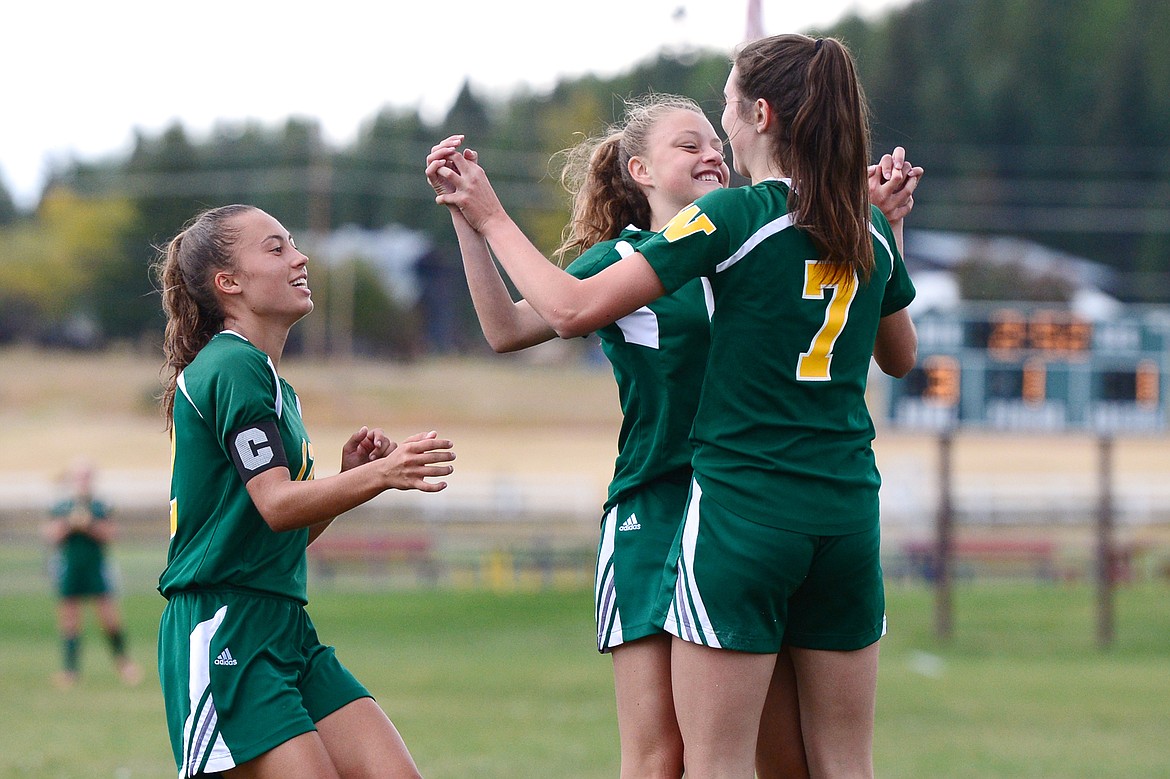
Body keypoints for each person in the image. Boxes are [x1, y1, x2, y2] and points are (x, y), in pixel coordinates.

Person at [428, 52, 919, 777]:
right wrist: (475, 222)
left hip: (742, 510)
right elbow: (522, 325)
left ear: (760, 117)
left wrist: (492, 214)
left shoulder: (744, 226)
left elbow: (569, 310)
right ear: (640, 172)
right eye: (688, 143)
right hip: (695, 502)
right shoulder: (651, 251)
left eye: (719, 125)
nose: (713, 144)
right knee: (675, 755)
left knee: (752, 757)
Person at [152, 204, 456, 779]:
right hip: (224, 627)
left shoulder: (272, 384)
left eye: (293, 244)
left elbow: (279, 530)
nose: (300, 257)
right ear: (229, 283)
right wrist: (379, 475)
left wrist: (348, 481)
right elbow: (275, 504)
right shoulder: (231, 367)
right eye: (276, 248)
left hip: (284, 627)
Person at [44, 457, 142, 688]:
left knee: (109, 618)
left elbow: (111, 535)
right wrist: (70, 524)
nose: (82, 481)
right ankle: (70, 671)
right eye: (78, 477)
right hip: (70, 567)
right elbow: (51, 535)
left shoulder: (100, 506)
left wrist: (88, 525)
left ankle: (124, 664)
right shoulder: (62, 507)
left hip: (96, 567)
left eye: (86, 476)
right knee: (69, 620)